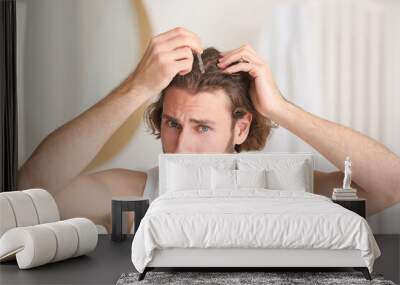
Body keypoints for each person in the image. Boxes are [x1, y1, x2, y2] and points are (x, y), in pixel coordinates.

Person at [17, 27, 400, 233]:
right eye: (172, 123)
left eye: (202, 127)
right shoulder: (131, 194)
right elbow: (30, 192)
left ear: (240, 128)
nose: (179, 147)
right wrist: (138, 86)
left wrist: (280, 109)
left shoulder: (283, 190)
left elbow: (389, 186)